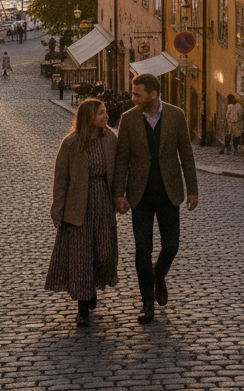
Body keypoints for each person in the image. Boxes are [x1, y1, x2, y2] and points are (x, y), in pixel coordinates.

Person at [113, 73, 198, 325]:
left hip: (169, 192)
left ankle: (158, 275)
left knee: (171, 246)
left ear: (153, 94)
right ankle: (147, 303)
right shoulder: (128, 119)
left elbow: (186, 153)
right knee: (142, 249)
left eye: (137, 94)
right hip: (139, 194)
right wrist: (119, 194)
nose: (133, 98)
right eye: (133, 93)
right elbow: (121, 158)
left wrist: (192, 189)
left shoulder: (176, 115)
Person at [45, 99, 118, 327]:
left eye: (105, 112)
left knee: (103, 252)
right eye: (101, 113)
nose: (106, 116)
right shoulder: (71, 143)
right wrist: (57, 212)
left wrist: (121, 197)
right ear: (89, 117)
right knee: (81, 257)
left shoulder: (110, 139)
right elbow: (61, 180)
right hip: (78, 206)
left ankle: (91, 288)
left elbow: (120, 170)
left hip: (103, 203)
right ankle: (83, 308)